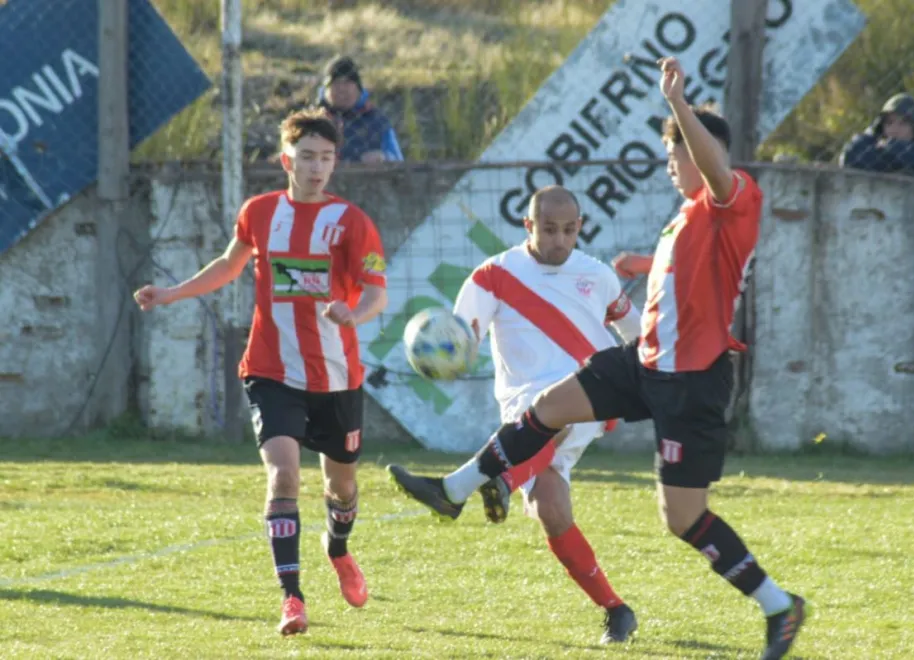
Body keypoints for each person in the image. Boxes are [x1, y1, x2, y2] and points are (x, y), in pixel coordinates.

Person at [387, 58, 807, 660]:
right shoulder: (685, 218)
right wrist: (643, 268)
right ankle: (453, 491)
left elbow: (718, 179)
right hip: (647, 364)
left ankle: (777, 605)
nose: (671, 160)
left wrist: (679, 106)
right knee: (546, 406)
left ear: (707, 150)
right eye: (670, 149)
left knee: (682, 518)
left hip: (691, 382)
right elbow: (688, 285)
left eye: (678, 150)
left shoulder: (734, 198)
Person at [133, 108, 388, 636]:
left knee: (341, 487)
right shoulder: (260, 213)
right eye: (307, 157)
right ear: (286, 160)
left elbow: (377, 292)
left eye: (326, 158)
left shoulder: (352, 221)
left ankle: (338, 549)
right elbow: (229, 265)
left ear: (335, 162)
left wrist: (352, 313)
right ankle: (292, 598)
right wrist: (172, 292)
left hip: (336, 377)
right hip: (271, 371)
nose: (317, 167)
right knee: (284, 475)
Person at [453, 185, 641, 644]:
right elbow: (463, 332)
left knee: (554, 415)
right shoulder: (493, 275)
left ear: (579, 228)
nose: (559, 240)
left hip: (587, 400)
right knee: (552, 513)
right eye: (549, 230)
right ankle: (616, 609)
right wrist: (453, 349)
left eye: (569, 230)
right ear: (528, 226)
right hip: (519, 411)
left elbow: (636, 333)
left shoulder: (597, 276)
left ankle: (496, 479)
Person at [316, 55, 404, 165]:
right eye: (336, 83)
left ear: (358, 88)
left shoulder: (377, 120)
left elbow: (398, 159)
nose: (342, 89)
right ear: (325, 90)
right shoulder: (311, 120)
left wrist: (384, 157)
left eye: (347, 82)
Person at [839, 92, 914, 177]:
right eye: (889, 123)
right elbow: (850, 155)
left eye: (903, 123)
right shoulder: (874, 134)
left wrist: (890, 148)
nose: (894, 130)